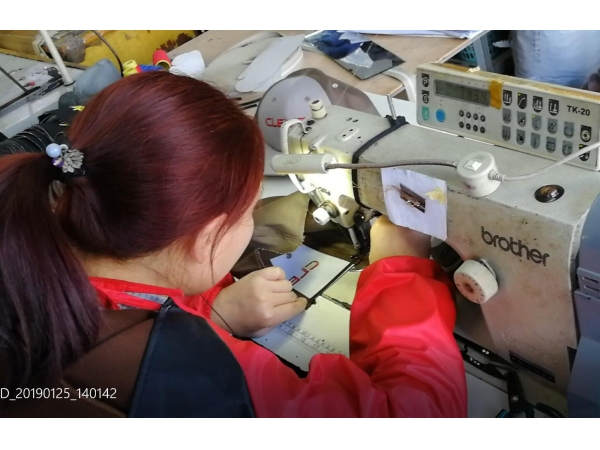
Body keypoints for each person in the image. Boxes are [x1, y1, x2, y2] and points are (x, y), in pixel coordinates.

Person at [0, 71, 467, 418]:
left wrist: (213, 314)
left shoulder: (26, 245)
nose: (255, 216)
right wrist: (401, 266)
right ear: (206, 239)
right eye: (247, 211)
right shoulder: (190, 378)